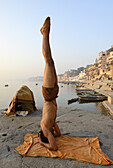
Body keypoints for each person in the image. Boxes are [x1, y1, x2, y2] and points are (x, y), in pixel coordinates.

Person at [38, 17, 61, 151]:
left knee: (48, 61)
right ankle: (45, 33)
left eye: (50, 135)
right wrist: (54, 128)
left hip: (48, 94)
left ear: (45, 134)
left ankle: (45, 33)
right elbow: (59, 134)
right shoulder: (50, 126)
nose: (53, 134)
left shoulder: (45, 127)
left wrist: (42, 143)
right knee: (52, 62)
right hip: (54, 94)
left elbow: (54, 147)